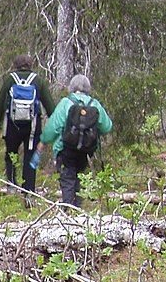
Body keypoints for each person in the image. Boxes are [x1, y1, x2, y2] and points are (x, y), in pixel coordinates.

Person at [37, 74, 113, 208]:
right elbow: (107, 126)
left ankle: (68, 211)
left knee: (67, 179)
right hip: (86, 150)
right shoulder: (94, 104)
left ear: (71, 87)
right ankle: (77, 209)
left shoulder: (66, 103)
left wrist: (43, 141)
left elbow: (54, 126)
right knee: (78, 179)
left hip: (65, 148)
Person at [0, 54, 55, 199]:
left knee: (10, 155)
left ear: (16, 65)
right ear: (29, 65)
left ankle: (12, 188)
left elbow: (0, 104)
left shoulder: (10, 79)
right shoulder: (38, 80)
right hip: (32, 127)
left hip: (12, 125)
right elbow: (50, 108)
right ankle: (29, 194)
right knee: (30, 158)